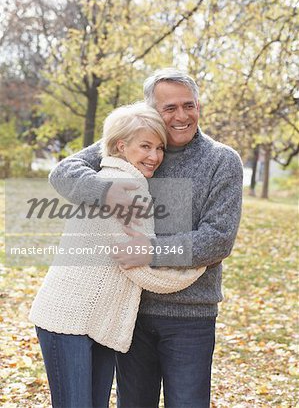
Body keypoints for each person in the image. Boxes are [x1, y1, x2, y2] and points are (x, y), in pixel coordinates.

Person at [49, 69, 243, 408]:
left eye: (189, 105)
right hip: (131, 313)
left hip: (190, 317)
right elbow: (63, 173)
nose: (181, 116)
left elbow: (218, 239)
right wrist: (107, 190)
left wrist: (151, 250)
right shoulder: (136, 140)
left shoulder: (221, 160)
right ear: (151, 109)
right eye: (169, 108)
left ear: (198, 106)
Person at [30, 102, 205, 408]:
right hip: (66, 316)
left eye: (159, 148)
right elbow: (139, 267)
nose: (154, 156)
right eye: (145, 146)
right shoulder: (122, 185)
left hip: (97, 321)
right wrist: (198, 263)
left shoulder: (116, 178)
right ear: (121, 146)